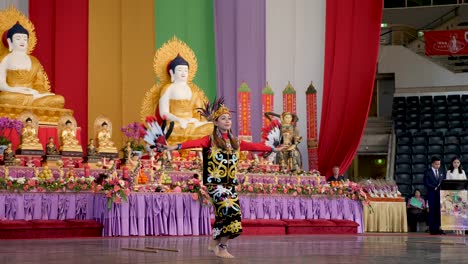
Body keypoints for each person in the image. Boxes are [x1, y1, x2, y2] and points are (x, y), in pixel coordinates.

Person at [163, 103, 279, 258]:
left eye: (229, 118)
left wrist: (272, 149)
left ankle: (215, 242)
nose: (227, 121)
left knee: (227, 215)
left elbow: (255, 146)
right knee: (230, 211)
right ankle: (222, 248)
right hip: (215, 185)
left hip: (230, 185)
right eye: (223, 119)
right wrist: (174, 146)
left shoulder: (235, 141)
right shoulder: (210, 140)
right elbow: (192, 143)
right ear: (216, 122)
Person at [0, 22, 65, 108]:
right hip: (13, 93)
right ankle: (34, 103)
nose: (22, 41)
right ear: (10, 41)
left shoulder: (34, 61)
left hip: (33, 94)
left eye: (24, 39)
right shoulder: (4, 59)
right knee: (5, 99)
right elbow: (2, 85)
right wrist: (17, 90)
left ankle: (35, 101)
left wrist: (40, 93)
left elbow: (39, 83)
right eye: (18, 38)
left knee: (59, 99)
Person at [157, 54, 213, 143]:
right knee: (178, 129)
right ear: (172, 72)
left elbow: (199, 112)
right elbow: (163, 113)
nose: (183, 73)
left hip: (191, 123)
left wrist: (197, 120)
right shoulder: (168, 88)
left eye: (186, 70)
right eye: (180, 70)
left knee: (212, 127)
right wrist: (179, 119)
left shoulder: (193, 90)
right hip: (175, 124)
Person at [423, 156, 446, 235]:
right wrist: (434, 188)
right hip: (431, 194)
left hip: (440, 195)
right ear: (432, 164)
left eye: (439, 164)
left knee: (439, 212)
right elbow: (426, 183)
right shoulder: (427, 172)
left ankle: (438, 228)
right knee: (432, 211)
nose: (438, 166)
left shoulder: (442, 171)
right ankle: (432, 229)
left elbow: (443, 182)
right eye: (436, 164)